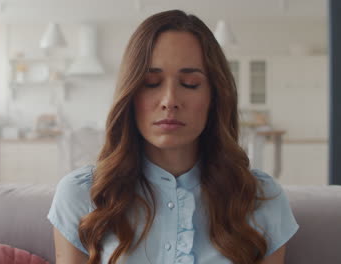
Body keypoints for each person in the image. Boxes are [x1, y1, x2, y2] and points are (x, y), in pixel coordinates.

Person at [47, 9, 299, 264]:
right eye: (151, 82)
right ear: (130, 94)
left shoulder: (261, 198)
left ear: (214, 97)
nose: (169, 101)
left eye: (190, 83)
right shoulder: (80, 195)